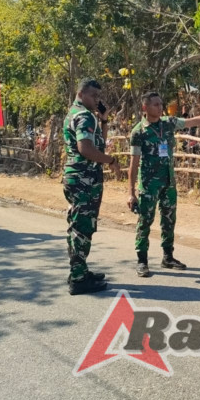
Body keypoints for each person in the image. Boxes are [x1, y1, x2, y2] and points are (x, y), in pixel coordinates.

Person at [128, 92, 200, 277]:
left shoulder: (168, 123)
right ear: (145, 108)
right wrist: (131, 192)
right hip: (149, 185)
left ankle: (168, 257)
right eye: (155, 104)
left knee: (169, 220)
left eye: (161, 104)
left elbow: (193, 121)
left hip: (169, 182)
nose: (160, 107)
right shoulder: (138, 132)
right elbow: (133, 164)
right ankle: (142, 261)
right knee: (144, 222)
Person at [63, 78, 119, 295]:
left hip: (78, 178)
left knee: (78, 225)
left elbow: (97, 145)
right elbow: (86, 149)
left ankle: (80, 270)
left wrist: (104, 121)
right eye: (93, 96)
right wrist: (111, 161)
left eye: (99, 97)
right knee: (82, 227)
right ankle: (78, 278)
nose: (97, 100)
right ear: (81, 94)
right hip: (84, 179)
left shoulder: (77, 114)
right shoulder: (84, 116)